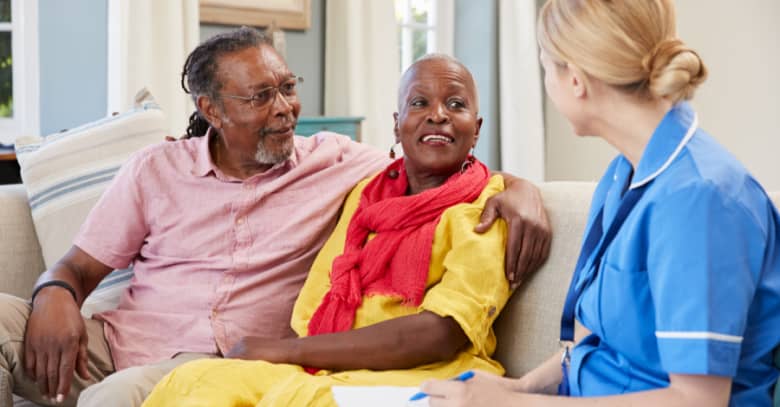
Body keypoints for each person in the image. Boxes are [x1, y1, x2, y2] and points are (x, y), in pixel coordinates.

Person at [0, 28, 551, 407]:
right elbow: (75, 269)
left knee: (119, 397)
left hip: (219, 364)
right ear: (211, 111)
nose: (284, 108)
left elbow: (438, 157)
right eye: (260, 97)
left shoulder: (338, 162)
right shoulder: (155, 169)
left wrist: (522, 188)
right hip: (116, 344)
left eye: (288, 88)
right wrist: (54, 295)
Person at [421, 0, 780, 406]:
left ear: (575, 79)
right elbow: (594, 340)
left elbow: (696, 400)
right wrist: (519, 388)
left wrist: (514, 404)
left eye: (545, 66)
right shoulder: (621, 176)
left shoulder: (700, 200)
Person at [139, 53, 511, 406]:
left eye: (456, 105)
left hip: (433, 372)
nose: (438, 116)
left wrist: (285, 351)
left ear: (476, 131)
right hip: (336, 365)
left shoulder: (488, 206)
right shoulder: (369, 193)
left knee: (304, 400)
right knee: (192, 382)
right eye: (419, 104)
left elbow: (441, 335)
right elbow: (317, 299)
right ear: (396, 126)